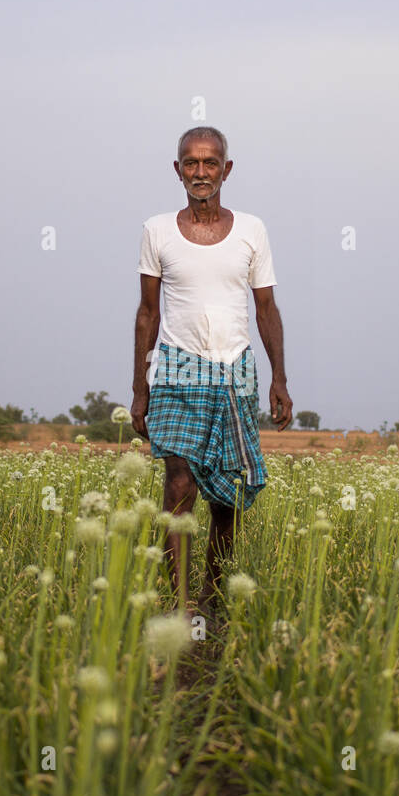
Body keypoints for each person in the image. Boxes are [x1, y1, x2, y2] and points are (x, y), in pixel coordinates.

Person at [131, 126, 293, 620]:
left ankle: (213, 596)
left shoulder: (251, 230)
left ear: (226, 169)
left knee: (227, 495)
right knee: (178, 483)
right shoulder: (157, 230)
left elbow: (266, 308)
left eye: (209, 162)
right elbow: (147, 313)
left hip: (234, 370)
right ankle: (179, 608)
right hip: (177, 367)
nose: (200, 172)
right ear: (177, 170)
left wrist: (279, 378)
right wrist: (140, 390)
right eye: (190, 163)